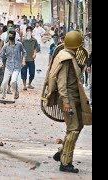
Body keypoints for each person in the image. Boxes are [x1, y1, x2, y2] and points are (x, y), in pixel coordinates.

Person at [47, 31, 92, 173]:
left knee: (77, 127)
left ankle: (62, 151)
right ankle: (65, 163)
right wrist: (66, 102)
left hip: (74, 97)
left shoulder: (66, 55)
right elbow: (61, 83)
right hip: (68, 98)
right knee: (73, 129)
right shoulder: (66, 58)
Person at [0, 30, 26, 100]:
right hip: (8, 66)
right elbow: (0, 56)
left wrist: (23, 61)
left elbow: (24, 52)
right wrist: (1, 63)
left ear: (14, 36)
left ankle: (16, 92)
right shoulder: (5, 46)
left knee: (13, 81)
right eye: (9, 35)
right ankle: (3, 95)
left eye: (12, 35)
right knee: (4, 82)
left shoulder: (19, 44)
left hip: (17, 66)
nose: (11, 36)